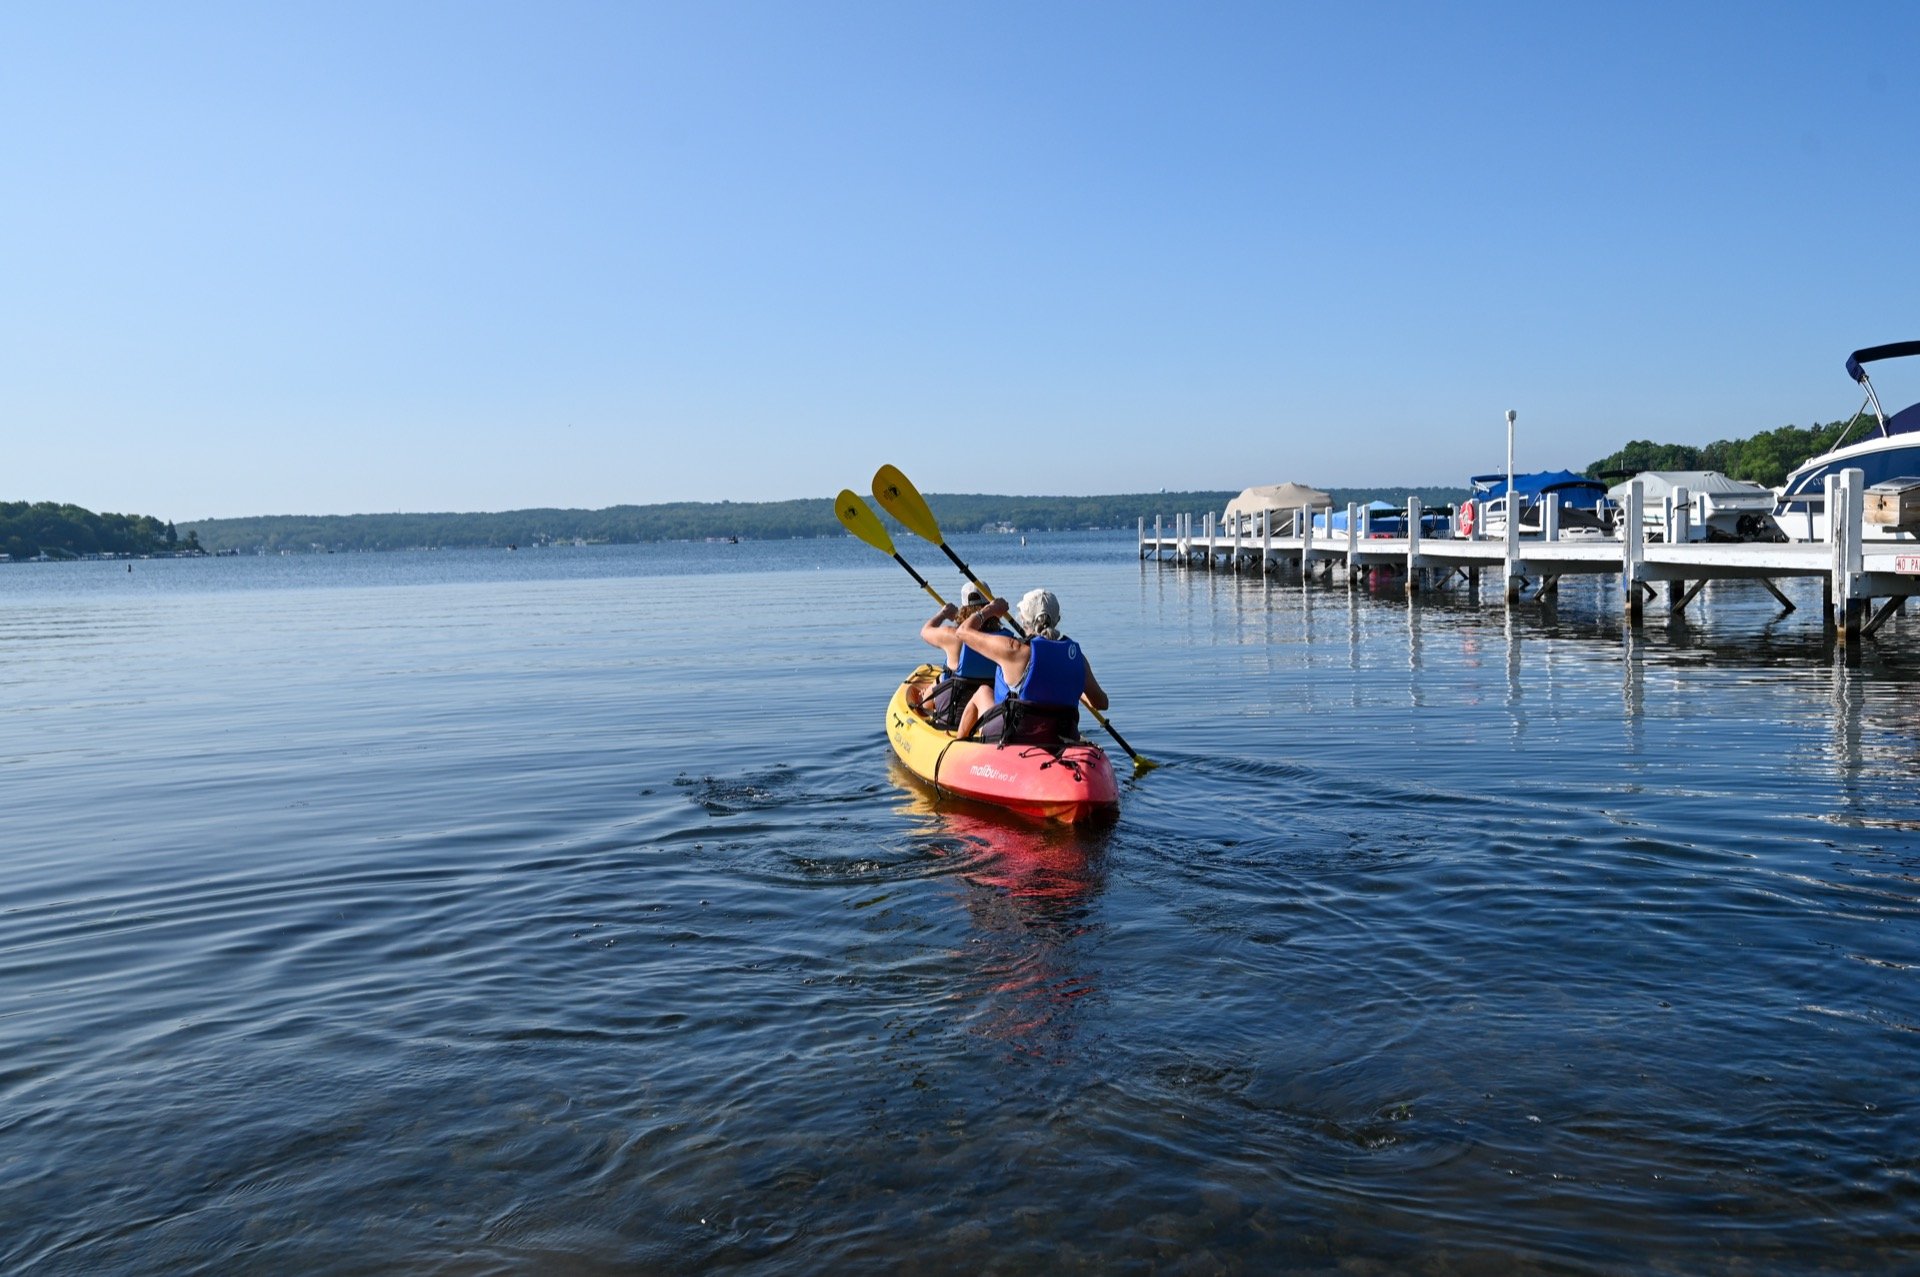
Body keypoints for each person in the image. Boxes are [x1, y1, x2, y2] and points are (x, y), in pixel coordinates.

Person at [953, 588, 1107, 745]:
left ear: (1023, 620)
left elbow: (963, 631)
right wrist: (1074, 685)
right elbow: (1101, 703)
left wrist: (990, 610)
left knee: (983, 692)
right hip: (1057, 736)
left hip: (1016, 736)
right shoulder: (1078, 659)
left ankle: (957, 748)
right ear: (1057, 619)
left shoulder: (1013, 650)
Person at [907, 581, 1001, 730]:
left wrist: (943, 614)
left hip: (953, 716)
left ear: (964, 608)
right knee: (941, 679)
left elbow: (925, 631)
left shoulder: (952, 636)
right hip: (985, 713)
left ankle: (928, 700)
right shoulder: (1004, 641)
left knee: (943, 678)